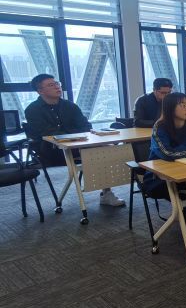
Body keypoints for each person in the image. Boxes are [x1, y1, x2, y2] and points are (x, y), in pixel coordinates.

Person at [24, 73, 126, 207]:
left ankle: (106, 193)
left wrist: (75, 136)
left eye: (57, 84)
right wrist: (74, 135)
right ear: (40, 91)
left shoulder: (70, 106)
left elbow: (85, 126)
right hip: (52, 151)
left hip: (79, 145)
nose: (57, 87)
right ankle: (103, 191)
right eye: (51, 85)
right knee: (98, 152)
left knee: (107, 150)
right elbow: (47, 132)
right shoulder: (32, 110)